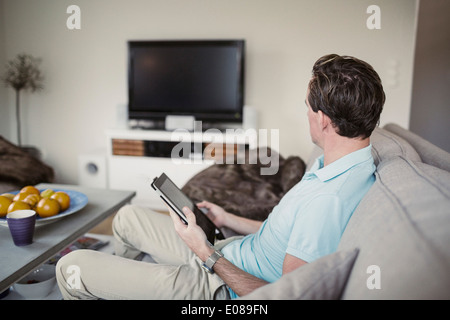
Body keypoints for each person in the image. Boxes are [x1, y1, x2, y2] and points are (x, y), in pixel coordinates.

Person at [56, 54, 385, 300]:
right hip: (227, 251)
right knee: (126, 217)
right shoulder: (339, 165)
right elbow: (289, 237)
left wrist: (204, 253)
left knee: (71, 268)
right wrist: (226, 217)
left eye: (309, 109)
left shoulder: (330, 198)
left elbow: (277, 296)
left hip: (217, 286)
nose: (307, 116)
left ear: (324, 120)